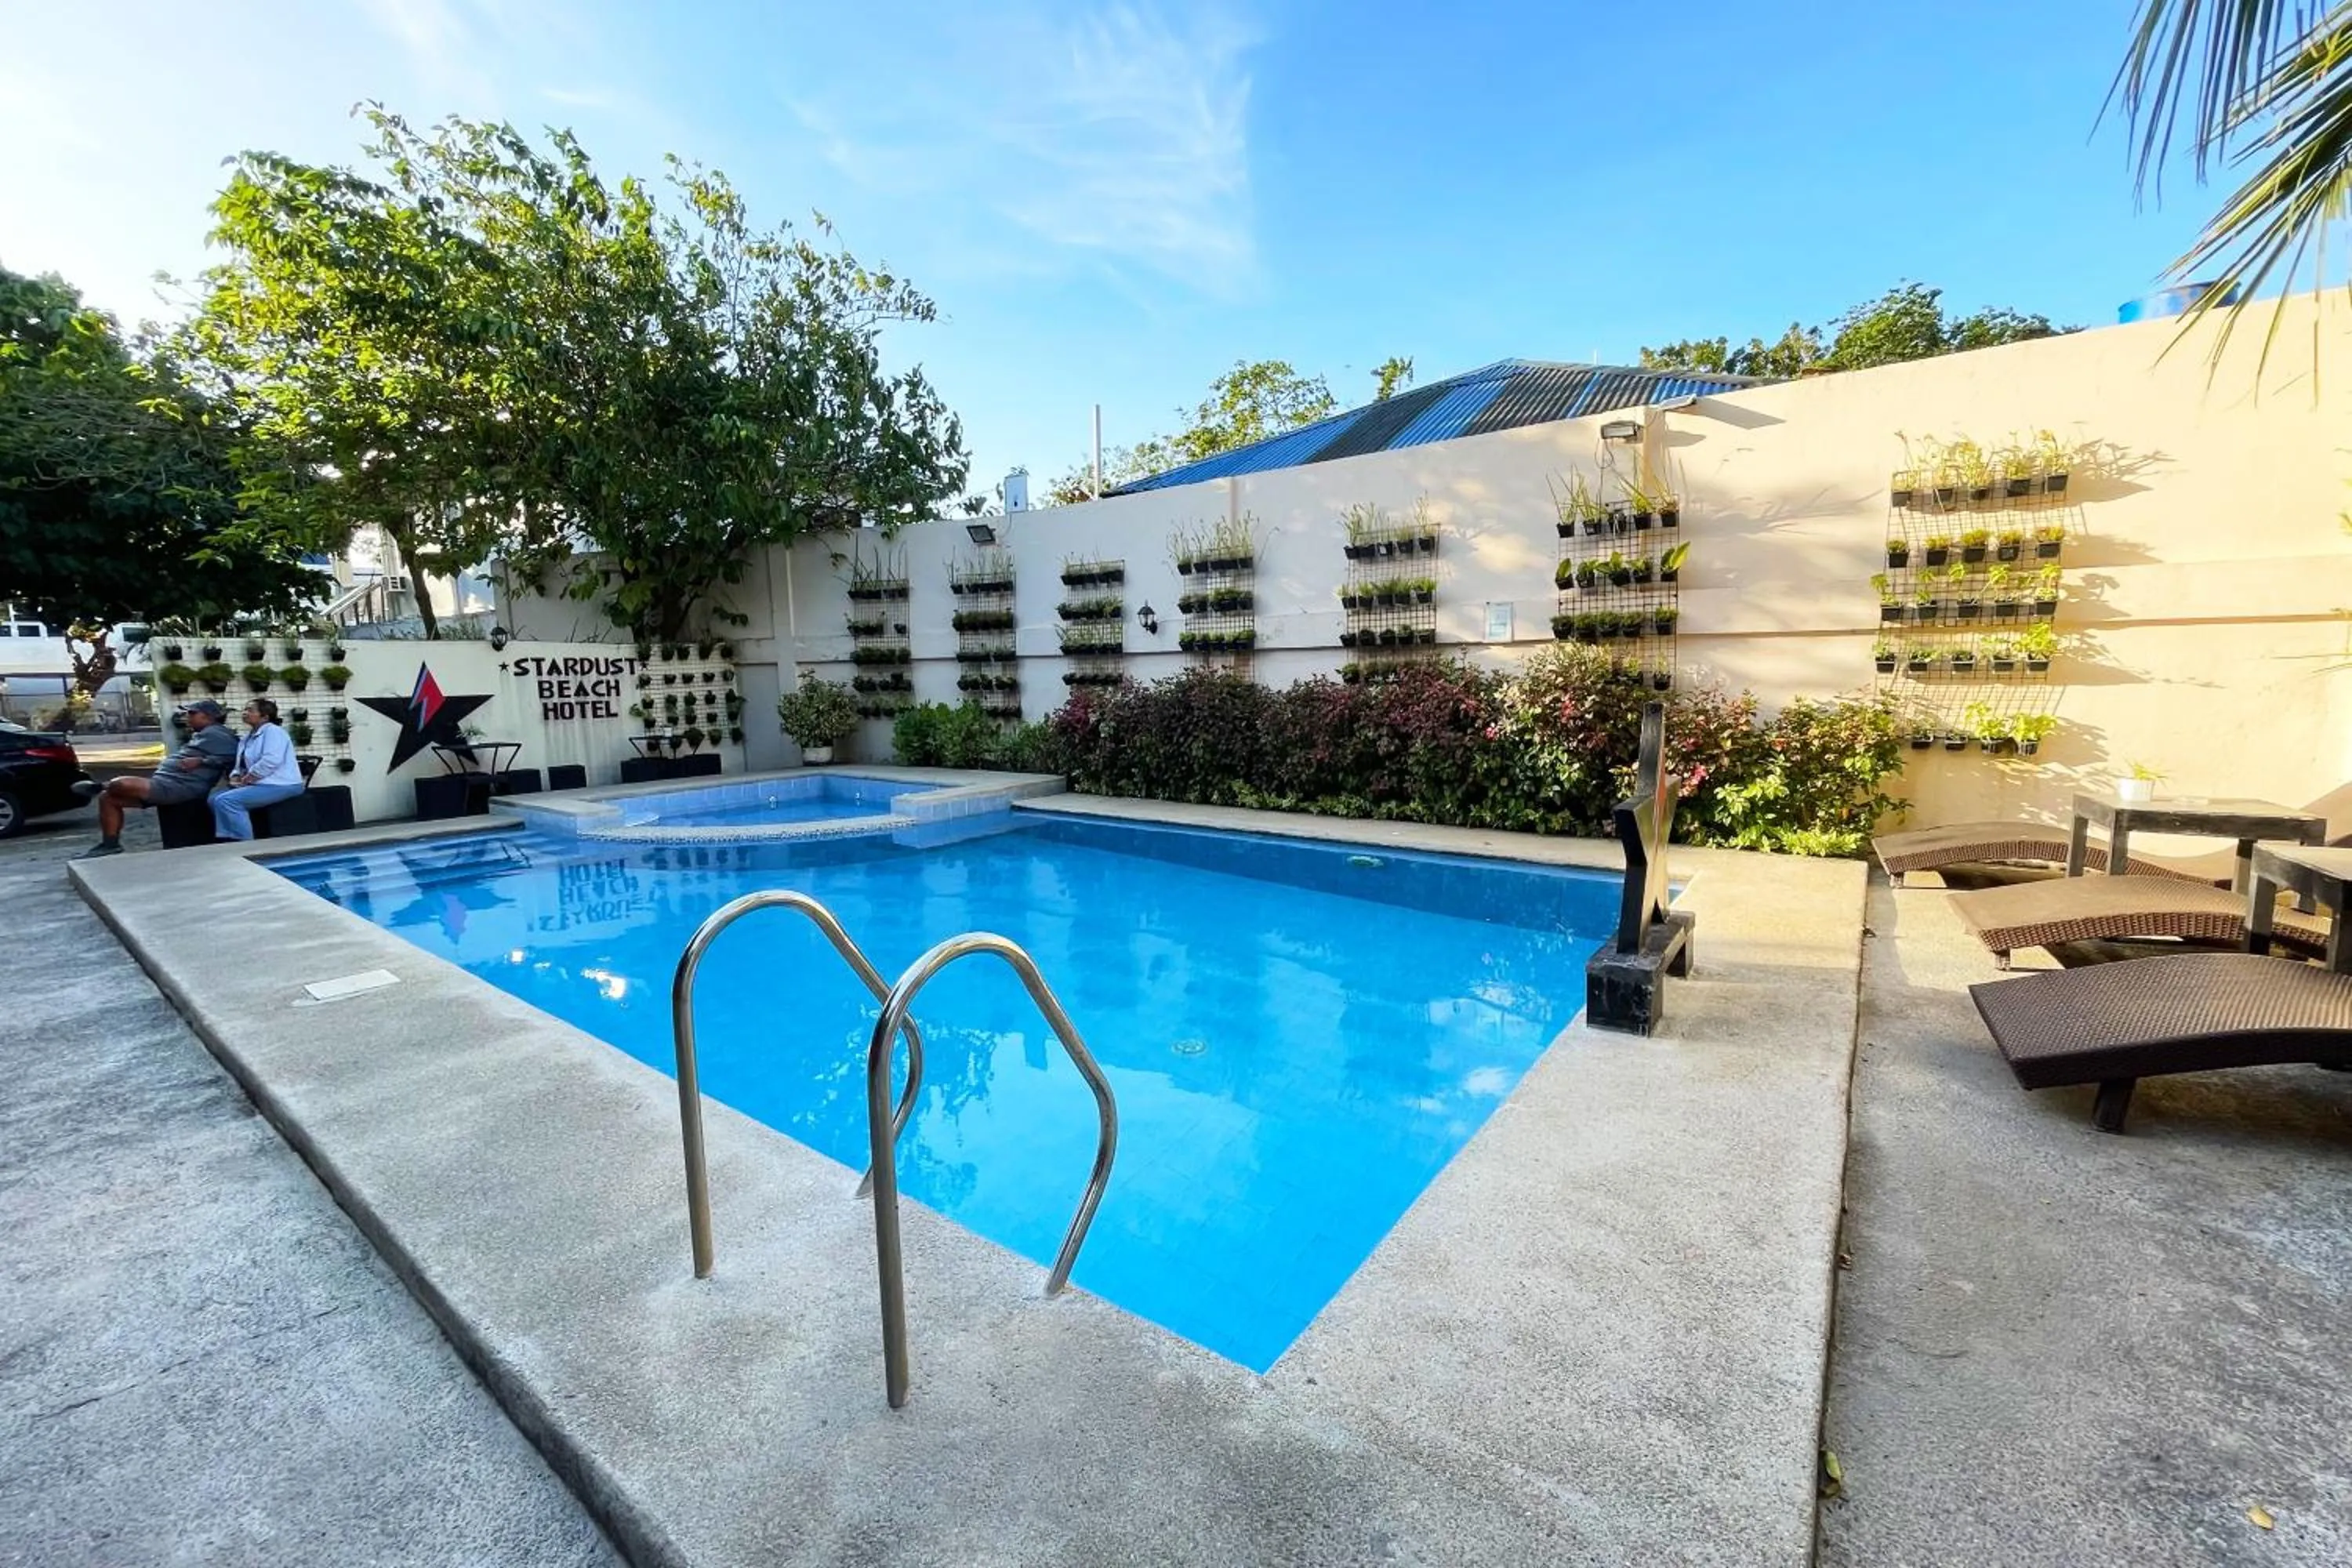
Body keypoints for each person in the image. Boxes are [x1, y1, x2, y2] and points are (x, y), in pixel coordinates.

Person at [72, 699, 238, 857]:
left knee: (121, 784)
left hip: (181, 787)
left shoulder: (219, 734)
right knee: (108, 799)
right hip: (166, 783)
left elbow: (234, 756)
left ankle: (102, 785)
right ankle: (110, 845)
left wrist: (202, 761)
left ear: (208, 717)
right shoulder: (204, 733)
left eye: (192, 714)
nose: (187, 718)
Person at [211, 697, 307, 841]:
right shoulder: (246, 738)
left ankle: (245, 843)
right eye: (245, 709)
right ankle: (230, 838)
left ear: (265, 717)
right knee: (213, 798)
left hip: (282, 784)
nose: (245, 713)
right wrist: (235, 776)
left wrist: (250, 777)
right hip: (259, 783)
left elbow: (271, 760)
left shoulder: (274, 732)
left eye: (250, 710)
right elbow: (241, 763)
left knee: (227, 801)